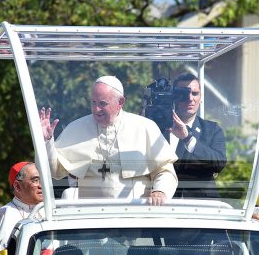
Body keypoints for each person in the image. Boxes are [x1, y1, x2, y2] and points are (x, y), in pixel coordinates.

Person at [40, 75, 177, 204]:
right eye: (93, 103)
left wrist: (160, 191)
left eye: (102, 103)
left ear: (120, 102)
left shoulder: (144, 127)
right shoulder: (76, 128)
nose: (96, 109)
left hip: (136, 215)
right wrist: (47, 142)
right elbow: (54, 171)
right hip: (92, 217)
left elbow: (165, 171)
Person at [168, 73, 226, 198]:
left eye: (195, 93)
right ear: (174, 97)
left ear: (201, 97)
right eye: (184, 93)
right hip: (166, 203)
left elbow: (219, 163)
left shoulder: (212, 130)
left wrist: (188, 138)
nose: (190, 98)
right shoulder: (159, 128)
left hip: (202, 206)